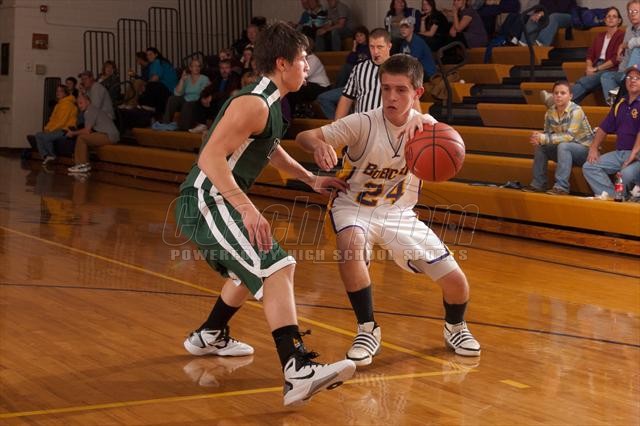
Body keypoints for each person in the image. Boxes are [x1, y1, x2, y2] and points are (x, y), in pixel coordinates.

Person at [175, 22, 355, 406]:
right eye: (302, 59)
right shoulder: (254, 103)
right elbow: (209, 157)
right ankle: (297, 369)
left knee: (251, 269)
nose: (307, 66)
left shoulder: (270, 103)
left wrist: (310, 179)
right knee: (277, 266)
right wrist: (246, 208)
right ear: (282, 63)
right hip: (206, 200)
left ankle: (209, 334)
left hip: (218, 199)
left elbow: (271, 149)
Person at [296, 54, 481, 365]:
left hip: (398, 213)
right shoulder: (363, 122)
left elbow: (446, 149)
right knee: (351, 244)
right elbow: (305, 136)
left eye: (401, 90)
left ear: (417, 92)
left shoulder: (429, 129)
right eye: (386, 89)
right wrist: (319, 145)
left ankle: (456, 327)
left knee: (457, 283)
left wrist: (426, 123)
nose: (392, 97)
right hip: (353, 206)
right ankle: (367, 329)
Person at [523, 80, 594, 195]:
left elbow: (569, 136)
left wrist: (543, 138)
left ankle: (561, 187)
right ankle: (539, 184)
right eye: (556, 93)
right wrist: (538, 138)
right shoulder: (550, 112)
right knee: (542, 147)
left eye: (563, 93)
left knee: (563, 146)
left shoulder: (576, 111)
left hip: (585, 152)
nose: (559, 96)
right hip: (564, 151)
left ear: (570, 96)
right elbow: (548, 135)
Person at [542, 8, 624, 106]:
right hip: (596, 66)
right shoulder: (600, 36)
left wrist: (596, 69)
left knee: (584, 82)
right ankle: (561, 104)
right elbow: (590, 54)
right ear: (605, 20)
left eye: (614, 16)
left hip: (610, 69)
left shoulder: (621, 35)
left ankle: (557, 100)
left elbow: (615, 59)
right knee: (584, 86)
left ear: (619, 20)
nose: (611, 18)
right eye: (608, 16)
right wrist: (589, 67)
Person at [583, 66, 640, 199]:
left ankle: (621, 199)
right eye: (629, 77)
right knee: (589, 166)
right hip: (620, 153)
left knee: (625, 174)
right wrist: (593, 147)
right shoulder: (620, 103)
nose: (632, 80)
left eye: (637, 78)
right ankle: (613, 197)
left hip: (638, 155)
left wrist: (633, 154)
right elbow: (604, 127)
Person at [67, 93, 120, 174]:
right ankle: (84, 164)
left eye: (81, 103)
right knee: (83, 137)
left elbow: (87, 131)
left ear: (88, 102)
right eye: (78, 104)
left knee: (81, 138)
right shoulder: (92, 110)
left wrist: (73, 133)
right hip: (109, 135)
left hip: (109, 136)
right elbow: (90, 131)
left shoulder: (90, 111)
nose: (79, 105)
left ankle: (82, 165)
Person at [600, 0, 640, 103]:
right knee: (606, 76)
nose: (632, 14)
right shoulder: (629, 30)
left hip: (638, 72)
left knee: (636, 50)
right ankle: (615, 106)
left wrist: (624, 44)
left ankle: (623, 87)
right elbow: (626, 56)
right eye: (630, 11)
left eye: (636, 11)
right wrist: (622, 72)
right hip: (626, 72)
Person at [35, 85, 78, 165]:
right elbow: (52, 119)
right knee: (38, 135)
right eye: (57, 91)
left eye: (60, 91)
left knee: (46, 137)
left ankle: (52, 156)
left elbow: (62, 122)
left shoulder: (68, 104)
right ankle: (45, 155)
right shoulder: (59, 104)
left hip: (66, 130)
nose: (58, 93)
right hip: (57, 129)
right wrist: (47, 128)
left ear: (65, 93)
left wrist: (50, 130)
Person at [163, 58, 210, 123]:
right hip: (185, 99)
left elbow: (203, 93)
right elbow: (177, 93)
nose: (197, 68)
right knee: (172, 99)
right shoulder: (186, 78)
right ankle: (166, 122)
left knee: (187, 104)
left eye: (199, 66)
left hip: (196, 101)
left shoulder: (204, 78)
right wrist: (182, 80)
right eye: (194, 66)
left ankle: (183, 125)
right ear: (190, 68)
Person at [139, 47, 178, 114]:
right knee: (149, 85)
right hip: (167, 88)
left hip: (169, 89)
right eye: (147, 55)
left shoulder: (157, 62)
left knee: (151, 85)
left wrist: (145, 85)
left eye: (150, 54)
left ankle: (151, 106)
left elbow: (155, 78)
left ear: (156, 54)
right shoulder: (155, 63)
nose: (148, 56)